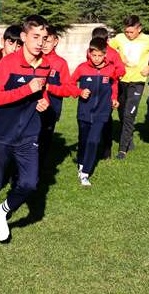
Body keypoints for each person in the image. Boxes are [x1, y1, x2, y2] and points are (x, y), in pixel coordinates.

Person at [0, 15, 51, 251]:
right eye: (35, 37)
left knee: (29, 183)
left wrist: (43, 100)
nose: (40, 42)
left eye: (44, 38)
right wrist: (27, 90)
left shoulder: (46, 65)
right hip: (1, 134)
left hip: (29, 134)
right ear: (24, 37)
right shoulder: (8, 63)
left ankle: (3, 210)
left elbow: (41, 93)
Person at [109, 15, 149, 159]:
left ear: (139, 29)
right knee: (121, 112)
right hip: (120, 80)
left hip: (138, 81)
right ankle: (129, 139)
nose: (129, 35)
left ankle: (122, 150)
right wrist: (119, 57)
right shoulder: (118, 38)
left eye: (131, 32)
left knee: (129, 114)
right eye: (127, 32)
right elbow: (108, 50)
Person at [71, 38, 119, 185]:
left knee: (94, 140)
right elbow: (70, 83)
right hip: (84, 111)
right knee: (84, 140)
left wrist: (114, 98)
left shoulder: (111, 69)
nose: (97, 59)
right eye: (94, 55)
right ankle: (81, 162)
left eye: (100, 55)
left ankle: (85, 173)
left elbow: (114, 84)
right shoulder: (81, 68)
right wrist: (79, 91)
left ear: (105, 54)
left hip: (102, 112)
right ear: (89, 53)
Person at [39, 25, 76, 165]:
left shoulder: (60, 63)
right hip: (32, 107)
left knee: (44, 142)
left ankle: (38, 172)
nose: (44, 44)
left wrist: (50, 87)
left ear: (56, 41)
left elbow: (68, 90)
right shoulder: (34, 59)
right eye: (42, 40)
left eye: (48, 41)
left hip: (51, 109)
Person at [92, 27, 126, 158]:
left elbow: (121, 70)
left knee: (105, 119)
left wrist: (110, 74)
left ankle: (106, 150)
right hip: (93, 90)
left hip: (109, 91)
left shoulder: (112, 53)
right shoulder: (90, 52)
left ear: (107, 41)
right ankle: (93, 147)